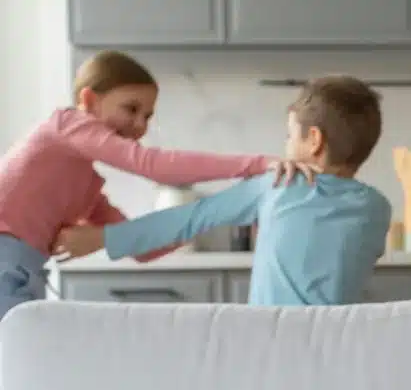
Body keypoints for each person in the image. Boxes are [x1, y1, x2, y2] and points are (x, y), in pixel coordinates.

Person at [0, 50, 312, 320]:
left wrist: (223, 209)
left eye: (148, 116)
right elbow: (153, 165)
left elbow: (144, 249)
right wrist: (258, 163)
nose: (140, 125)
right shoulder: (67, 123)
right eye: (131, 109)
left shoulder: (85, 188)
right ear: (89, 100)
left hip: (23, 272)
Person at [54, 75, 392, 307]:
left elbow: (189, 219)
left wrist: (102, 238)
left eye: (290, 136)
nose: (285, 145)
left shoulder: (278, 186)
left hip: (271, 345)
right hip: (337, 350)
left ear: (314, 140)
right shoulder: (378, 208)